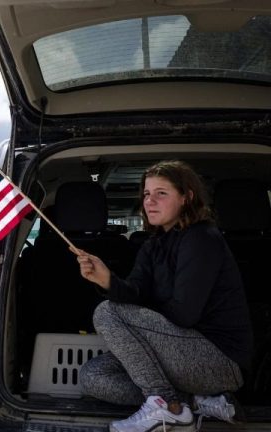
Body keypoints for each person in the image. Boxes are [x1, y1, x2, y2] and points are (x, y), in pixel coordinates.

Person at [74, 160, 253, 432]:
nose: (150, 201)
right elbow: (135, 292)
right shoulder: (153, 244)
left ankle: (166, 407)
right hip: (177, 354)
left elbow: (185, 314)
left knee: (108, 312)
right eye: (146, 194)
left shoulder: (202, 238)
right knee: (93, 376)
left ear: (186, 197)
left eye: (161, 193)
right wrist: (107, 280)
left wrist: (137, 321)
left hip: (218, 360)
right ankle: (196, 402)